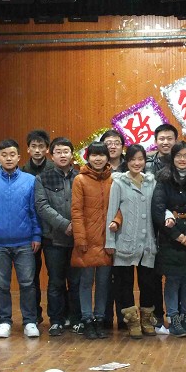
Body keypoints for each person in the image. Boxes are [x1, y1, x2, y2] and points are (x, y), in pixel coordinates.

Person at [0, 139, 41, 338]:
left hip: (25, 242)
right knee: (0, 284)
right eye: (4, 155)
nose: (9, 158)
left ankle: (30, 321)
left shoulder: (30, 180)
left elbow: (35, 211)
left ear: (19, 157)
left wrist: (36, 234)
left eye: (12, 154)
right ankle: (3, 321)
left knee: (27, 283)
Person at [105, 144, 159, 339]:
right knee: (124, 283)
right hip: (124, 241)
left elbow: (159, 208)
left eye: (140, 159)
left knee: (148, 283)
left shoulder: (151, 182)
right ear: (127, 161)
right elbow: (112, 212)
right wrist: (110, 242)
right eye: (133, 159)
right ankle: (132, 322)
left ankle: (146, 319)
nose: (137, 163)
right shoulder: (119, 183)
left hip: (148, 243)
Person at [152, 141, 186, 337]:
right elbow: (158, 210)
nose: (182, 160)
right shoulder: (163, 178)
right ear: (172, 158)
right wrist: (177, 235)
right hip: (170, 238)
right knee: (173, 279)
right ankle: (174, 319)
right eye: (178, 156)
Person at [34, 137, 81, 337]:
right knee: (55, 281)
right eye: (58, 152)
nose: (63, 155)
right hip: (53, 239)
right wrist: (64, 225)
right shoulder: (42, 178)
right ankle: (56, 320)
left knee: (76, 282)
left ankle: (76, 319)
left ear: (72, 154)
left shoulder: (80, 177)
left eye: (66, 151)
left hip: (78, 239)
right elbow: (42, 206)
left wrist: (76, 226)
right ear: (51, 155)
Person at [70, 142, 113, 340]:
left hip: (108, 239)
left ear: (107, 157)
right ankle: (87, 319)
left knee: (103, 283)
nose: (98, 159)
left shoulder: (113, 179)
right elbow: (76, 212)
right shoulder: (80, 180)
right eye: (94, 155)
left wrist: (117, 222)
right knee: (86, 282)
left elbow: (120, 207)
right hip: (87, 240)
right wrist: (80, 238)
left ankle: (100, 319)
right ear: (88, 157)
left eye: (102, 155)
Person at [22, 129, 54, 326]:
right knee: (31, 275)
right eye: (33, 146)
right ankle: (33, 315)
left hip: (52, 229)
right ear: (27, 149)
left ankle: (58, 316)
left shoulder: (54, 169)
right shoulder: (22, 171)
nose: (37, 150)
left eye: (41, 146)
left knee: (55, 275)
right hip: (29, 230)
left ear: (47, 149)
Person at [99, 129, 127, 330]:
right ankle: (105, 317)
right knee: (104, 277)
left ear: (122, 146)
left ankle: (125, 318)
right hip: (103, 228)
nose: (112, 146)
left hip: (126, 227)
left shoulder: (131, 166)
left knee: (123, 276)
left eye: (116, 142)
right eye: (108, 143)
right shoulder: (98, 169)